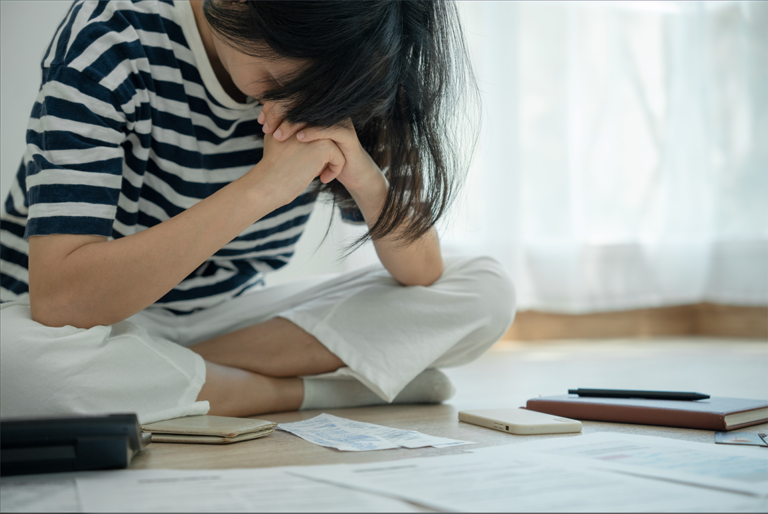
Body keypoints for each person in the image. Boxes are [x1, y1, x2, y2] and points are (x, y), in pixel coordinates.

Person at [0, 0, 515, 424]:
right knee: (16, 365)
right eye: (285, 79)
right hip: (57, 324)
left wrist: (362, 173)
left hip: (219, 319)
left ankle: (158, 376)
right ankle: (297, 393)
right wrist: (262, 188)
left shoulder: (366, 55)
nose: (313, 98)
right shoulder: (112, 35)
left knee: (485, 290)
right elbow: (62, 303)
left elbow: (423, 271)